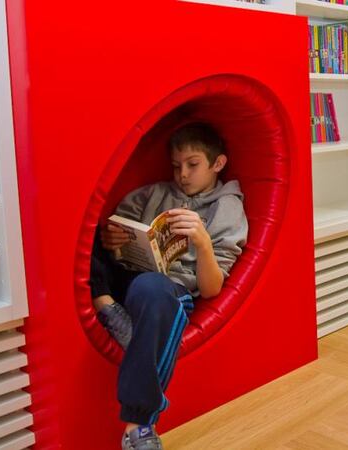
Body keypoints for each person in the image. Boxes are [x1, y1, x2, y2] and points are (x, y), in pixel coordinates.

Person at [90, 122, 248, 450]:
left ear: (217, 163)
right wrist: (113, 241)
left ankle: (139, 426)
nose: (183, 175)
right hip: (124, 278)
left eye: (193, 165)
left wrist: (203, 243)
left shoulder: (228, 207)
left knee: (153, 288)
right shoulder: (154, 193)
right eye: (177, 166)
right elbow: (115, 234)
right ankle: (108, 307)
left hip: (168, 290)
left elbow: (211, 289)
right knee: (83, 237)